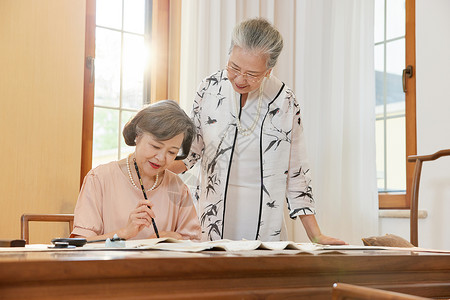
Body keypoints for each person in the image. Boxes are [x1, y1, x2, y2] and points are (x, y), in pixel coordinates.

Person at [170, 18, 345, 244]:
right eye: (234, 67)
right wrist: (150, 166)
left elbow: (297, 171)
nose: (240, 79)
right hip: (212, 214)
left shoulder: (284, 100)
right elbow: (191, 151)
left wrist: (316, 235)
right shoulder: (209, 88)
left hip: (264, 217)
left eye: (252, 74)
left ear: (268, 70)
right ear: (229, 54)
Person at [71, 100, 201, 241]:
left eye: (171, 152)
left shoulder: (178, 188)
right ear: (137, 136)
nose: (161, 158)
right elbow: (80, 244)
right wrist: (124, 233)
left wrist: (175, 238)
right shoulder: (99, 178)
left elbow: (194, 244)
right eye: (155, 146)